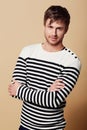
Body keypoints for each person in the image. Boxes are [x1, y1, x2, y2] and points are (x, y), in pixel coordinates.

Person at [8, 5, 81, 130]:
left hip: (52, 128)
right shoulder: (27, 52)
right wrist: (47, 92)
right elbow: (13, 90)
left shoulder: (72, 61)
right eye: (50, 27)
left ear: (66, 29)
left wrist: (22, 90)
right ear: (44, 26)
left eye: (59, 28)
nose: (54, 33)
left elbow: (53, 101)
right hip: (25, 126)